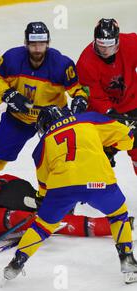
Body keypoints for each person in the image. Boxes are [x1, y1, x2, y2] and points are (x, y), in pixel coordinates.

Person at [2, 106, 137, 284]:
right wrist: (108, 148)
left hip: (61, 188)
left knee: (41, 227)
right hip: (98, 181)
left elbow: (44, 184)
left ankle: (17, 261)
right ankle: (127, 259)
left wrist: (44, 200)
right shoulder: (89, 118)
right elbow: (128, 138)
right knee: (118, 215)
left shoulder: (41, 145)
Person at [0, 21, 88, 172]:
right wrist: (9, 94)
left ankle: (65, 189)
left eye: (42, 43)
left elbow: (78, 90)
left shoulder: (61, 64)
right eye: (33, 44)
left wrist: (80, 99)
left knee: (64, 160)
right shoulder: (12, 58)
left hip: (54, 120)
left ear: (48, 43)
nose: (38, 48)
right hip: (18, 118)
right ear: (26, 43)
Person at [76, 18, 137, 174]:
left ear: (117, 41)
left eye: (110, 46)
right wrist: (110, 113)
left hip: (132, 102)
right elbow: (94, 95)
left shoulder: (130, 43)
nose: (105, 51)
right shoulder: (85, 62)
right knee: (96, 154)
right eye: (101, 46)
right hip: (101, 111)